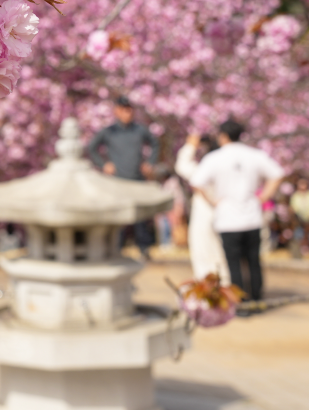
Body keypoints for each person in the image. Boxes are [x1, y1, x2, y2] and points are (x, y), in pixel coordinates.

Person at [188, 119, 284, 302]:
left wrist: (213, 201)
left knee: (234, 264)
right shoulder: (255, 155)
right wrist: (262, 197)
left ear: (223, 136)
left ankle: (241, 302)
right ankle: (257, 299)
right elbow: (277, 174)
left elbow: (196, 182)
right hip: (252, 217)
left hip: (227, 219)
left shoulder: (214, 158)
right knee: (253, 261)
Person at [87, 96, 160, 259]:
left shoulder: (140, 130)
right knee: (118, 216)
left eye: (130, 109)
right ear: (117, 111)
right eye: (124, 109)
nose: (128, 113)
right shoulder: (109, 131)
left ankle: (144, 248)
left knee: (140, 216)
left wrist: (150, 162)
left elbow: (155, 144)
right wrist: (104, 164)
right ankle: (116, 248)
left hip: (137, 178)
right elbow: (92, 148)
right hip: (117, 181)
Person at [175, 133, 229, 283]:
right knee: (222, 255)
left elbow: (182, 165)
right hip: (227, 216)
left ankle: (209, 292)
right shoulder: (228, 171)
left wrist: (190, 145)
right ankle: (225, 288)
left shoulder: (203, 170)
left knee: (203, 254)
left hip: (204, 215)